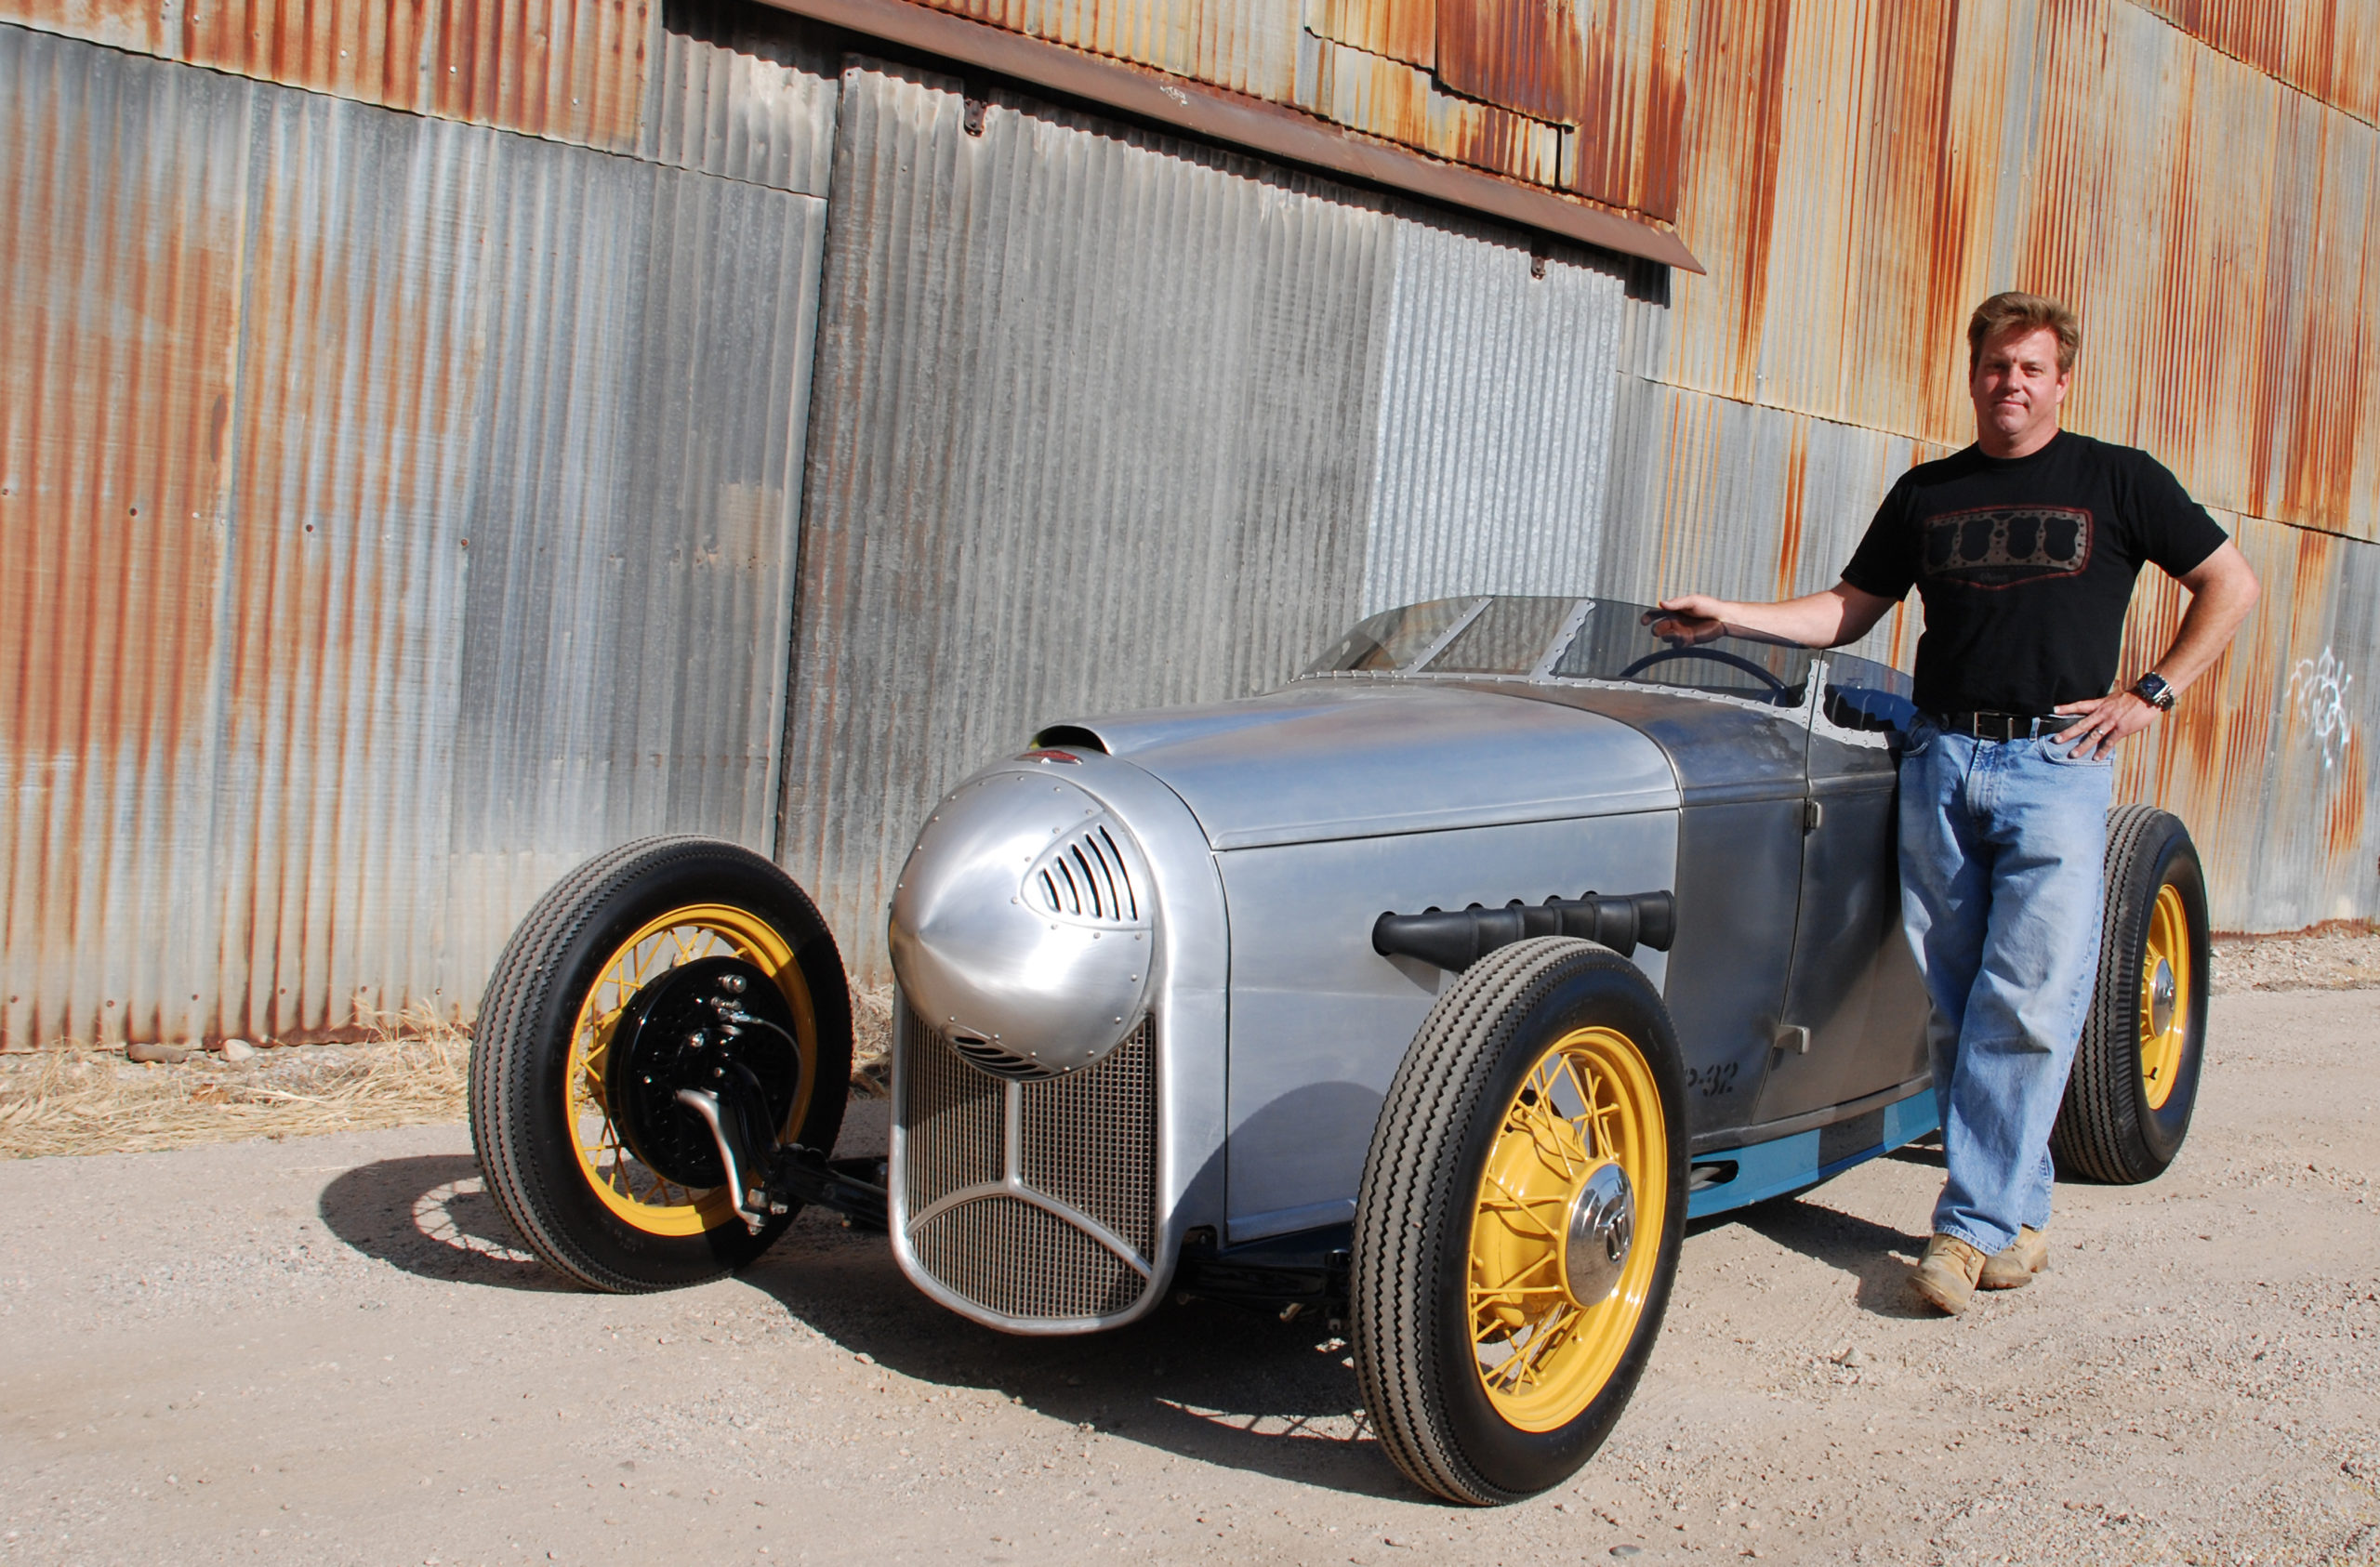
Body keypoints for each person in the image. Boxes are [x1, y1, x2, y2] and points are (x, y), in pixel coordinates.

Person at [1652, 291, 2259, 1314]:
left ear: (2061, 381)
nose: (2009, 384)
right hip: (1941, 764)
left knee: (2024, 1000)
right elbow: (1848, 609)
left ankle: (1965, 1233)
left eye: (2030, 368)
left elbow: (2228, 582)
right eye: (1994, 366)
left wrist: (2152, 692)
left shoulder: (2117, 480)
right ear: (1970, 373)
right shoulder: (1929, 492)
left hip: (2054, 769)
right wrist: (1732, 616)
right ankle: (2018, 1218)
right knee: (1955, 1005)